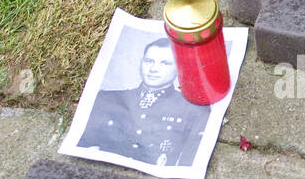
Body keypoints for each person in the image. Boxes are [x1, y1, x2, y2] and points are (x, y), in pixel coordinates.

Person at [78, 37, 211, 168]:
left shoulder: (193, 109)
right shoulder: (107, 99)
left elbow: (188, 163)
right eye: (148, 61)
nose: (153, 69)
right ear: (141, 63)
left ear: (179, 68)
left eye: (165, 63)